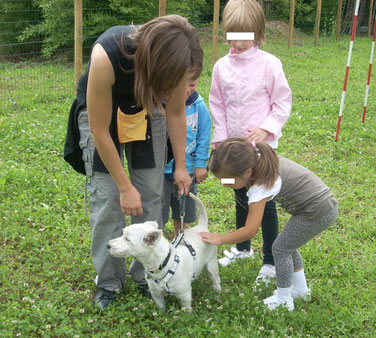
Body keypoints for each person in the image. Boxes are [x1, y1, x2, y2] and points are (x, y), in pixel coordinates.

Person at [63, 15, 203, 309]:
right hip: (103, 117)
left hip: (146, 108)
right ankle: (109, 284)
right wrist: (124, 186)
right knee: (108, 199)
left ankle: (145, 275)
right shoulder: (107, 55)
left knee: (152, 195)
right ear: (158, 64)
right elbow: (100, 132)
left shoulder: (177, 63)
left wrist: (180, 165)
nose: (179, 86)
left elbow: (176, 113)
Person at [199, 138, 338, 311]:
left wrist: (221, 239)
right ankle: (301, 290)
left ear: (248, 172)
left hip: (317, 211)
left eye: (227, 180)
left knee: (281, 249)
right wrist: (224, 178)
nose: (224, 184)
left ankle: (283, 299)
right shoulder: (257, 157)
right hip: (320, 206)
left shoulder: (262, 186)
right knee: (288, 244)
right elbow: (236, 181)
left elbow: (250, 230)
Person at [208, 0, 292, 283]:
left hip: (262, 149)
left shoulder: (270, 65)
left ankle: (270, 260)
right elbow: (217, 104)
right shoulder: (221, 67)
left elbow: (281, 103)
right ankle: (243, 248)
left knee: (264, 204)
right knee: (239, 195)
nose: (238, 41)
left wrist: (265, 129)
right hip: (233, 149)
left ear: (258, 32)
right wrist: (220, 139)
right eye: (232, 34)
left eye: (245, 35)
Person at [162, 78, 211, 239]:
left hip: (188, 170)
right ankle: (158, 237)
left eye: (192, 83)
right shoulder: (161, 103)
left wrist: (200, 164)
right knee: (159, 210)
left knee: (183, 207)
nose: (186, 88)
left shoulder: (199, 106)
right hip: (161, 171)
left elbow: (204, 137)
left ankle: (179, 235)